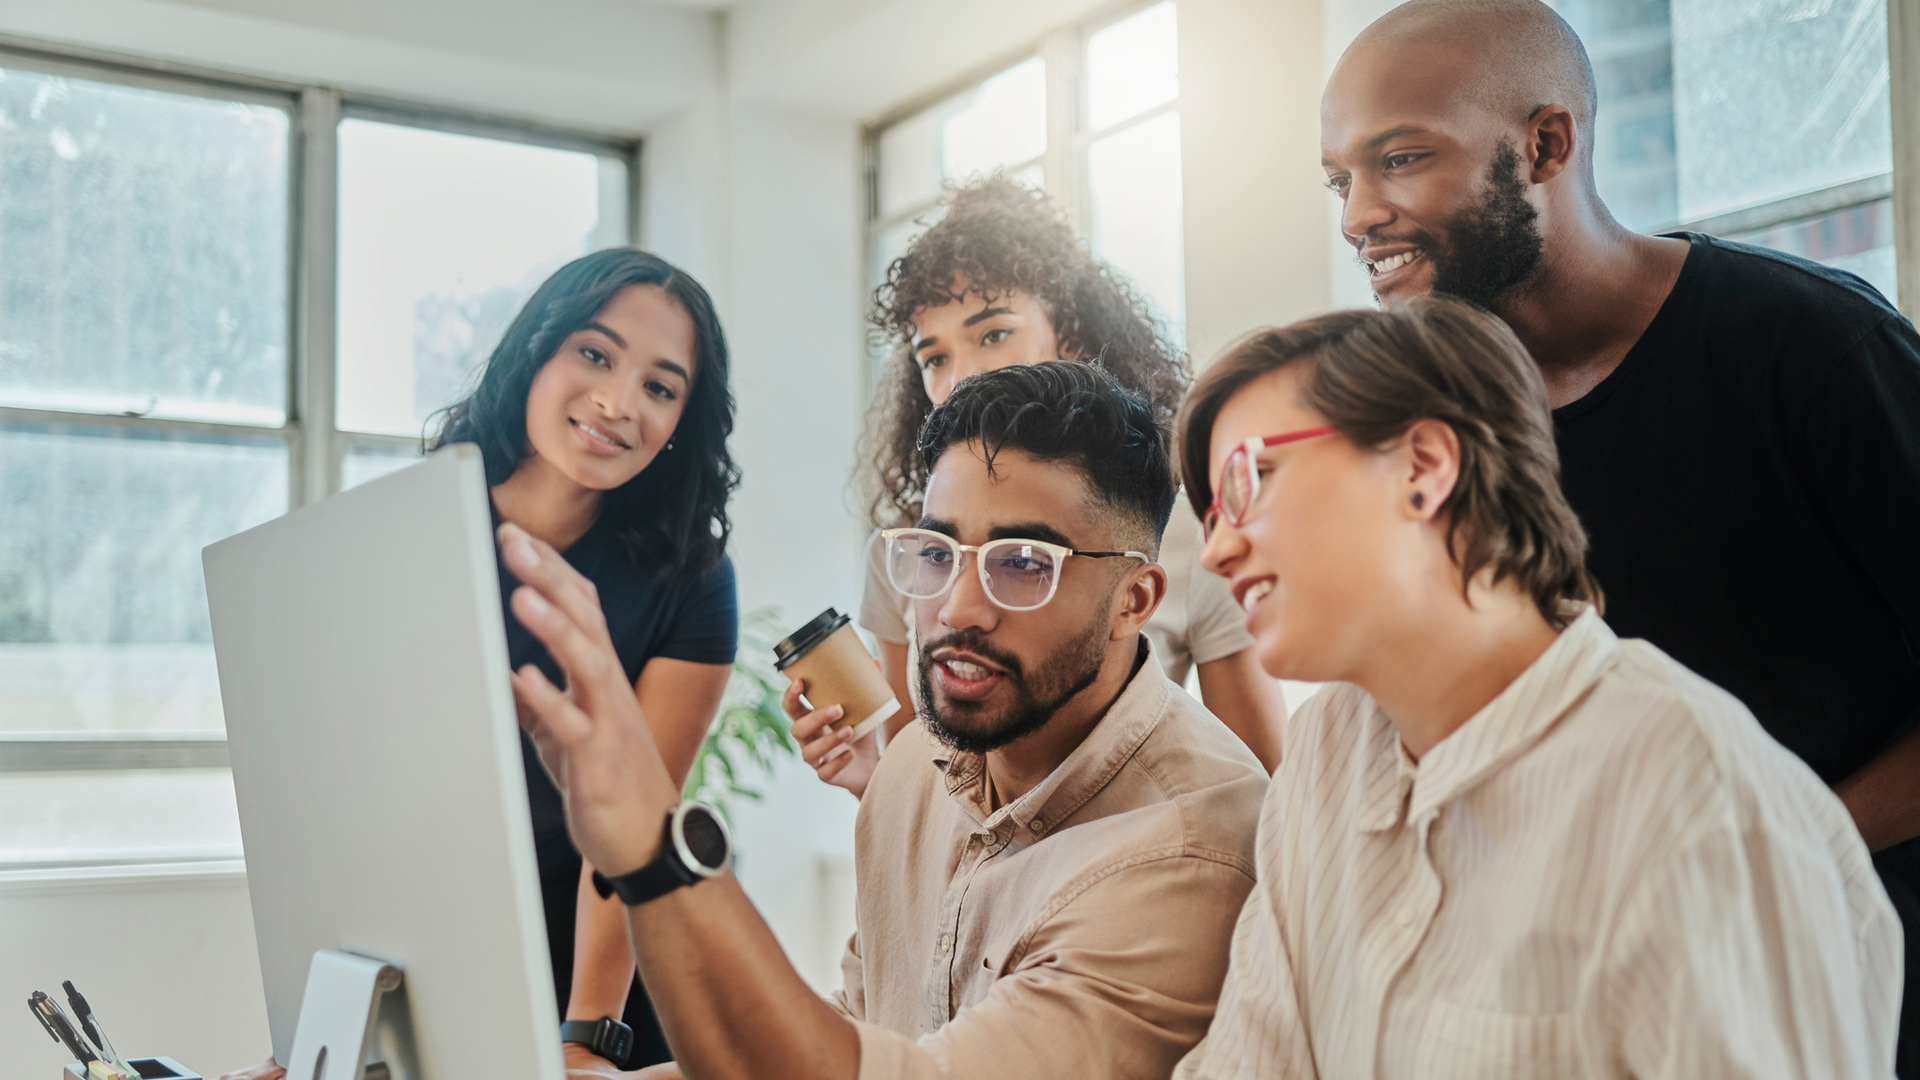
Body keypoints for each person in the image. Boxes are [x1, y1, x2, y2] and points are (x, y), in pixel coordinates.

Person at [1319, 0, 1920, 1065]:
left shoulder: (1817, 351)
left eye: (1400, 158)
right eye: (1340, 182)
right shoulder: (1435, 445)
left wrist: (1773, 851)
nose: (1359, 215)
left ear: (1547, 144)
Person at [1168, 299, 1900, 1078]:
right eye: (1210, 512)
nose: (1216, 551)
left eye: (1249, 481)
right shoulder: (1326, 754)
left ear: (1423, 468)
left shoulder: (1696, 791)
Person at [506, 362, 1267, 1079]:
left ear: (1134, 602)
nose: (958, 609)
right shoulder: (913, 769)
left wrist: (652, 842)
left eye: (1024, 562)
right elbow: (859, 1030)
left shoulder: (1189, 854)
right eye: (937, 553)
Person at [218, 248, 741, 1080]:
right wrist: (320, 1024)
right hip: (439, 946)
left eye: (660, 386)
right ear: (536, 350)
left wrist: (586, 1036)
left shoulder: (692, 580)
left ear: (682, 420)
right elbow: (347, 808)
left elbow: (634, 825)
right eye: (596, 354)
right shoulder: (404, 531)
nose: (617, 401)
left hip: (608, 969)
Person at [839, 176, 1286, 782]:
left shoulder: (1193, 533)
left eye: (994, 334)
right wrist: (867, 777)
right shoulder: (906, 548)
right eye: (934, 357)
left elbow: (1260, 787)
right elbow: (917, 792)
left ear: (1070, 335)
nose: (959, 378)